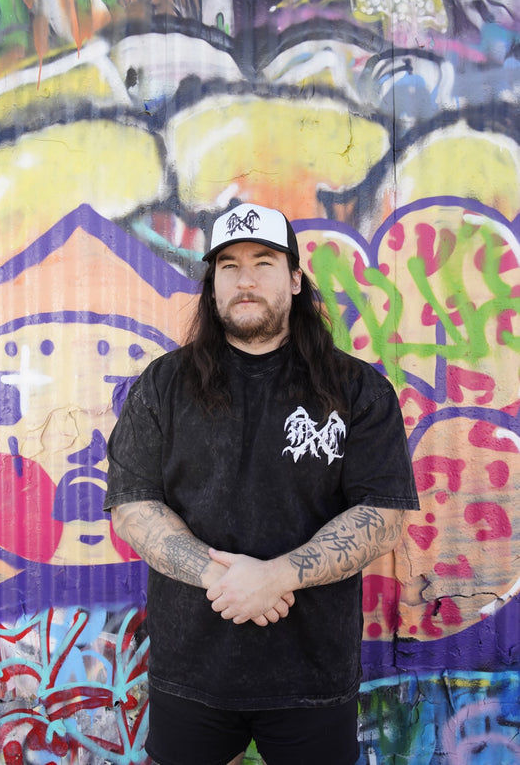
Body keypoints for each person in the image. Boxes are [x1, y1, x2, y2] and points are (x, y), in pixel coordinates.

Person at [104, 203, 419, 765]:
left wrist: (277, 576)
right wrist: (221, 579)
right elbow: (133, 504)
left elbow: (381, 514)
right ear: (213, 283)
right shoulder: (164, 383)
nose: (245, 279)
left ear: (295, 279)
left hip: (312, 673)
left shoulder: (357, 389)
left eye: (263, 261)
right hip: (191, 669)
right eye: (228, 265)